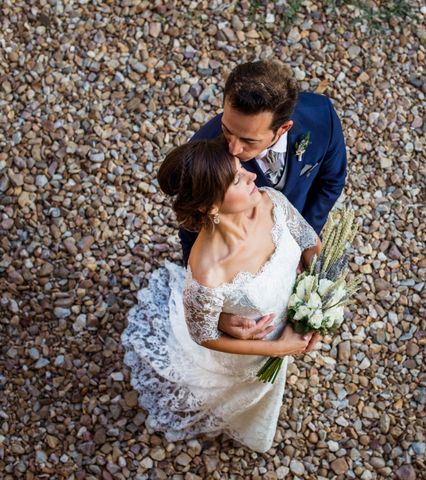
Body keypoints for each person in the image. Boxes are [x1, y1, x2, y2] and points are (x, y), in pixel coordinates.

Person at [122, 137, 321, 452]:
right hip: (256, 349)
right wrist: (278, 348)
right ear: (210, 206)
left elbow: (311, 244)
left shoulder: (272, 201)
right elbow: (204, 336)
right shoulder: (208, 271)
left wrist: (319, 302)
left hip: (291, 315)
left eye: (242, 168)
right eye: (237, 179)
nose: (253, 176)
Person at [180, 60, 347, 343]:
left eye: (248, 140)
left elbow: (330, 182)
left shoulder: (322, 117)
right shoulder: (204, 152)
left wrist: (300, 246)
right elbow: (190, 228)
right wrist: (215, 313)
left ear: (283, 129)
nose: (232, 148)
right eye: (227, 129)